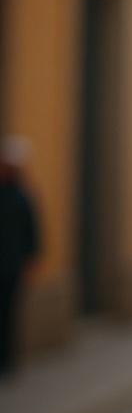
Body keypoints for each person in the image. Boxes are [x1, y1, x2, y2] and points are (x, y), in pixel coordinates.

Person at [0, 134, 41, 379]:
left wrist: (30, 261)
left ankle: (7, 361)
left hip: (11, 265)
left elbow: (32, 232)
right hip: (10, 263)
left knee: (8, 314)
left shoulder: (22, 196)